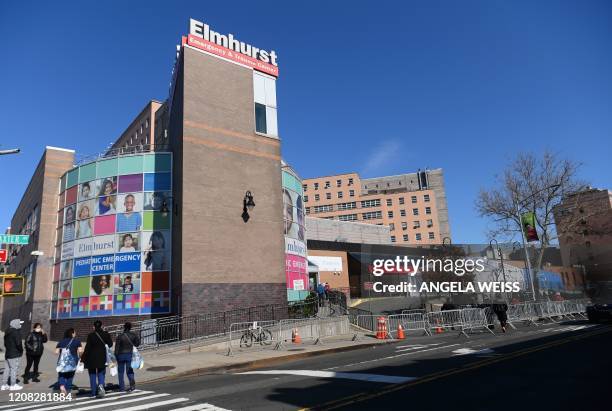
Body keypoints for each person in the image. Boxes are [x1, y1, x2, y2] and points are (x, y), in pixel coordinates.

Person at [82, 320, 113, 398]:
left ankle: (93, 393)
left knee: (92, 375)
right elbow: (110, 344)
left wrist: (83, 359)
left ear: (94, 327)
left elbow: (87, 348)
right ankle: (101, 386)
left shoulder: (90, 335)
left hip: (91, 358)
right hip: (102, 357)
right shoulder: (106, 334)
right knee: (101, 373)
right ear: (102, 326)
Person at [114, 322, 141, 392]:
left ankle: (122, 388)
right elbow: (137, 344)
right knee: (129, 371)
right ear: (130, 327)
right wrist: (137, 337)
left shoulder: (120, 336)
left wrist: (116, 357)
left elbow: (116, 348)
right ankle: (132, 386)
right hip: (129, 355)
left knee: (120, 372)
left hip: (120, 355)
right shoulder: (133, 335)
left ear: (124, 327)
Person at [55, 328, 82, 394]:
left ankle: (62, 386)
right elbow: (80, 351)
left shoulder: (61, 341)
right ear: (72, 333)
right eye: (74, 333)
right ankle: (67, 389)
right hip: (73, 361)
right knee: (70, 375)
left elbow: (56, 352)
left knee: (61, 374)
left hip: (62, 361)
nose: (75, 334)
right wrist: (80, 358)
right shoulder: (77, 341)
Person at [2, 319, 24, 391]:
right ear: (15, 324)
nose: (20, 325)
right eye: (19, 323)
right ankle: (13, 385)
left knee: (7, 369)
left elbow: (5, 344)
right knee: (14, 369)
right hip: (14, 354)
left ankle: (4, 385)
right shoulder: (16, 332)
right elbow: (18, 343)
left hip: (8, 353)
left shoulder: (7, 332)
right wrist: (21, 350)